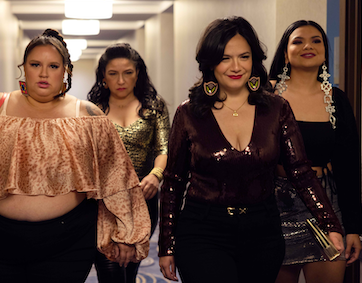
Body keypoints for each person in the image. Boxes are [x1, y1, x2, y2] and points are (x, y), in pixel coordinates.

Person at [158, 16, 345, 283]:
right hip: (203, 229)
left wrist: (330, 224)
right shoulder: (188, 113)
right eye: (225, 58)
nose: (236, 67)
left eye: (244, 57)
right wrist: (166, 245)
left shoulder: (277, 108)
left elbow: (300, 171)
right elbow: (174, 182)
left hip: (262, 230)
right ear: (210, 63)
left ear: (254, 60)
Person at [0, 29, 150, 283]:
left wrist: (127, 233)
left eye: (53, 66)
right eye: (35, 64)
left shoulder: (87, 116)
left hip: (67, 241)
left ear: (65, 72)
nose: (43, 73)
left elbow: (116, 176)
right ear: (24, 68)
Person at [269, 20, 362, 283]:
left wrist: (354, 228)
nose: (308, 46)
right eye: (298, 41)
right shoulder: (267, 95)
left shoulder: (337, 99)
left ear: (324, 51)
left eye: (316, 40)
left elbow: (349, 167)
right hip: (275, 208)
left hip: (326, 208)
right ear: (285, 53)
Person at [88, 43, 170, 282]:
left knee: (130, 268)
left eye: (128, 73)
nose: (121, 80)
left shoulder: (154, 107)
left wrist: (156, 175)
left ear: (138, 74)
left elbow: (163, 148)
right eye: (113, 74)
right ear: (103, 77)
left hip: (143, 199)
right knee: (109, 270)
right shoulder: (93, 110)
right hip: (104, 203)